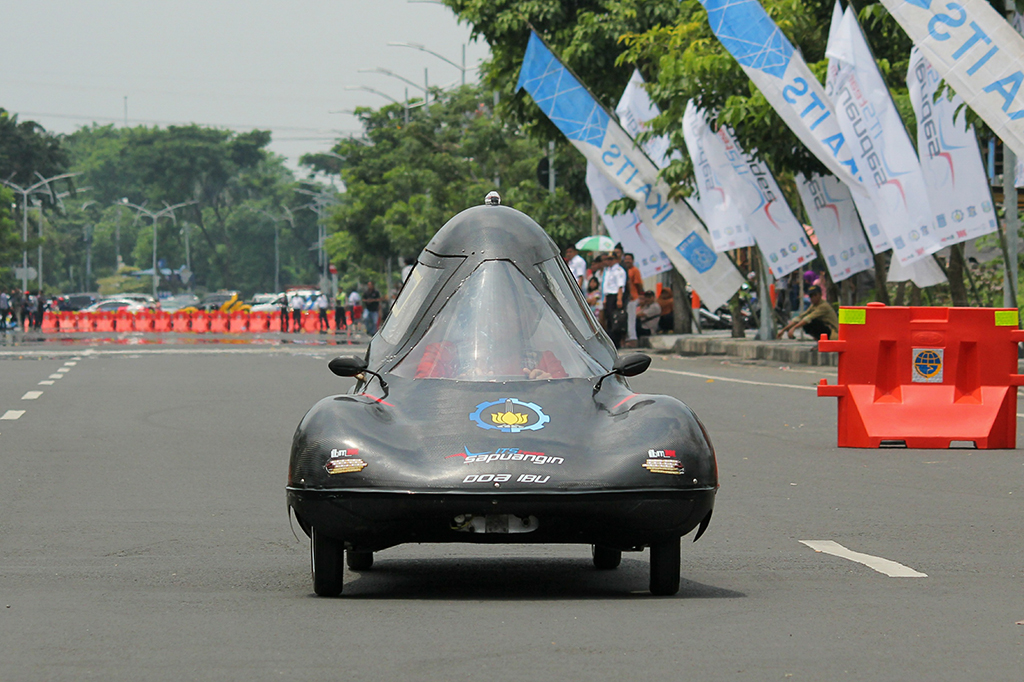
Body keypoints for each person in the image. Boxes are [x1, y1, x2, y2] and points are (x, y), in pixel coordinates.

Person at [600, 252, 627, 347]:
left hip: (615, 296)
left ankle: (616, 341)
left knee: (615, 319)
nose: (609, 261)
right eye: (608, 259)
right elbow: (606, 286)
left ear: (616, 260)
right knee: (608, 318)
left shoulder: (619, 270)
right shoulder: (608, 270)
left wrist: (619, 299)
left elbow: (620, 286)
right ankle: (611, 339)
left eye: (611, 259)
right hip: (608, 296)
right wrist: (604, 299)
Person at [621, 253, 644, 348]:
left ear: (633, 260)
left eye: (629, 259)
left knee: (631, 320)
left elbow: (638, 284)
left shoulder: (635, 270)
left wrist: (639, 295)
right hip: (624, 298)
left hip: (632, 298)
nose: (627, 261)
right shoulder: (622, 270)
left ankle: (632, 339)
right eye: (625, 259)